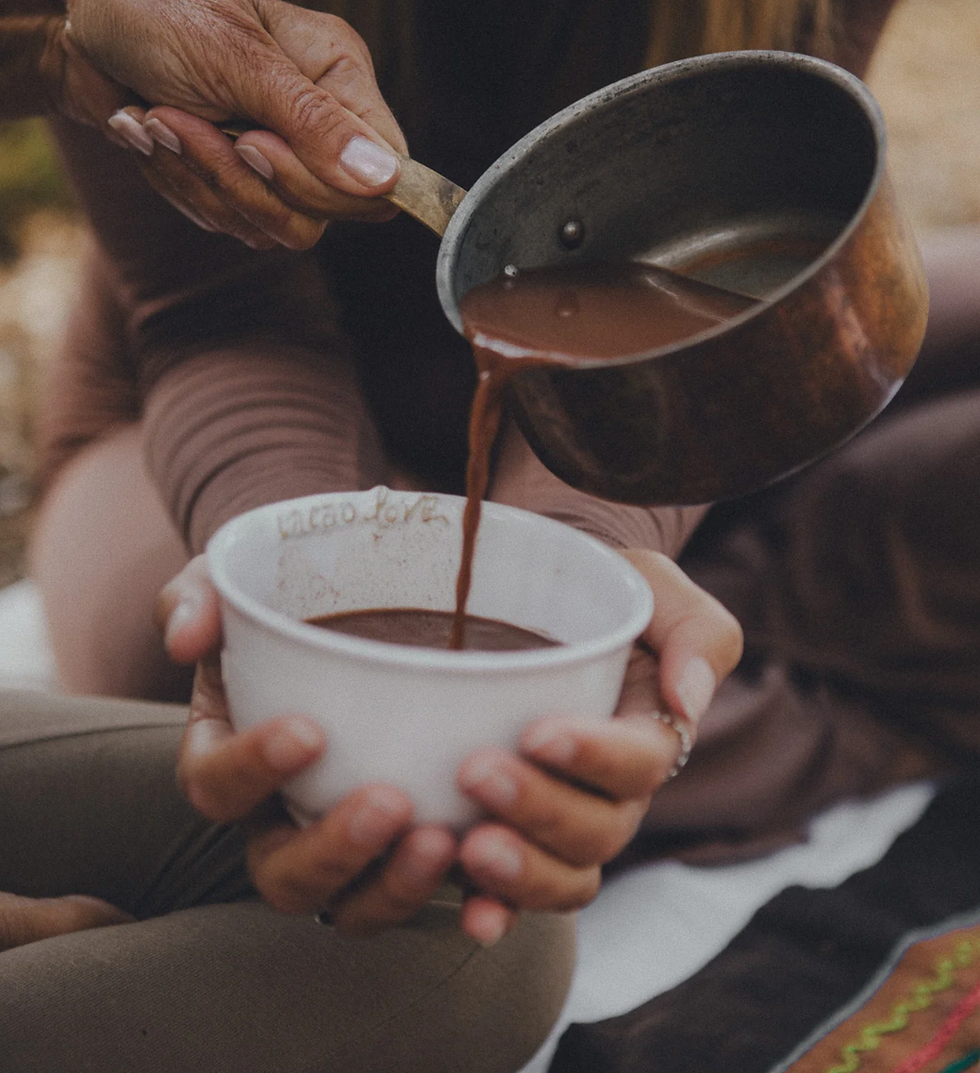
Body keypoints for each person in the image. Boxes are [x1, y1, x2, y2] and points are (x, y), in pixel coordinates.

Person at [2, 0, 979, 1067]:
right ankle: (804, 703)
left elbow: (709, 306)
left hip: (619, 423)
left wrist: (584, 546)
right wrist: (297, 576)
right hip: (235, 423)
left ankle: (697, 650)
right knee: (286, 700)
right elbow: (223, 324)